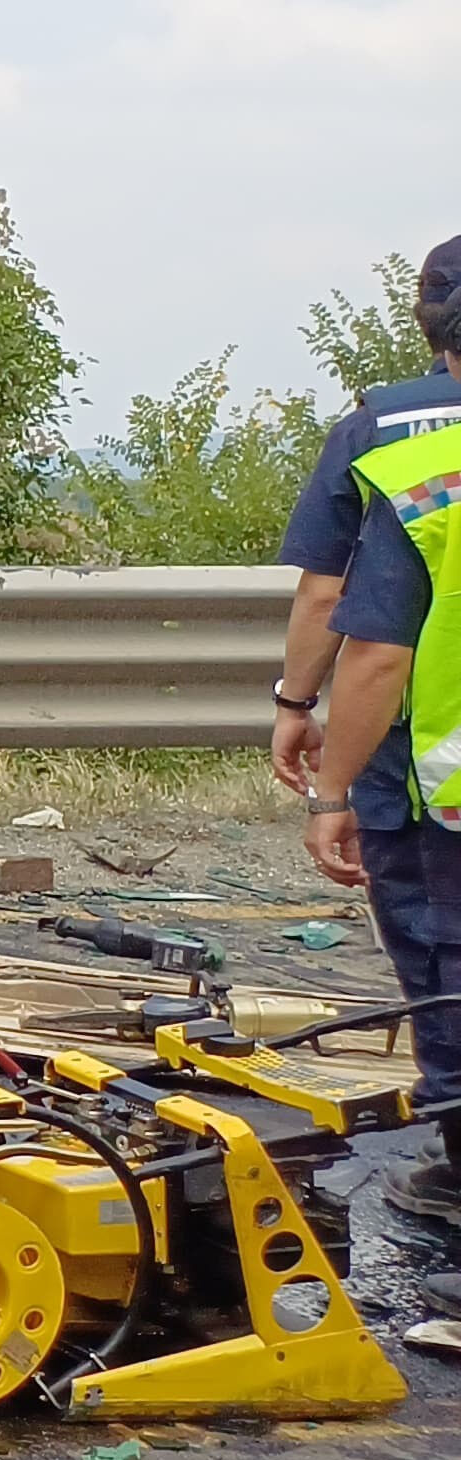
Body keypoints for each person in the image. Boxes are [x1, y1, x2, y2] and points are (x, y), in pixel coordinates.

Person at [287, 234, 461, 1228]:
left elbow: (359, 630)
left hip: (426, 773)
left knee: (443, 964)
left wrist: (322, 769)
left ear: (423, 317)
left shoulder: (405, 449)